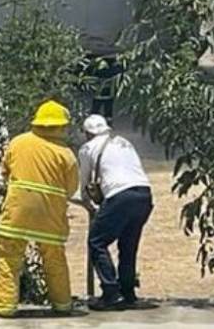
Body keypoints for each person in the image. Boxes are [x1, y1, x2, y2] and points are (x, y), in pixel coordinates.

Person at [0, 100, 80, 318]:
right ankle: (62, 305)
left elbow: (4, 173)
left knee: (8, 259)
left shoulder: (18, 142)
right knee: (55, 260)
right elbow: (71, 188)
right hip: (50, 217)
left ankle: (4, 307)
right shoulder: (66, 154)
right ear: (61, 126)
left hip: (17, 213)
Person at [78, 114, 153, 311]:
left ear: (87, 133)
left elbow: (84, 184)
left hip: (120, 196)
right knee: (128, 245)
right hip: (144, 194)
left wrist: (87, 203)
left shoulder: (86, 149)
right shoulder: (123, 142)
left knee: (97, 242)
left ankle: (111, 293)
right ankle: (128, 292)